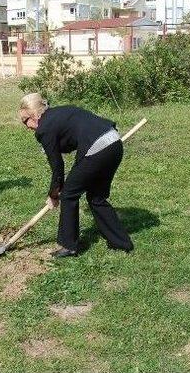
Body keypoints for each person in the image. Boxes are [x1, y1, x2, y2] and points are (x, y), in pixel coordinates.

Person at [18, 93, 133, 258]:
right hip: (114, 143)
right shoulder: (60, 113)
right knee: (96, 198)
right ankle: (121, 243)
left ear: (34, 114)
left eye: (25, 121)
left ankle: (69, 245)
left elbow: (57, 167)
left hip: (97, 149)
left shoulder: (44, 128)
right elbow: (69, 139)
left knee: (69, 194)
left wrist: (54, 194)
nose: (26, 126)